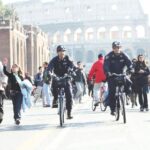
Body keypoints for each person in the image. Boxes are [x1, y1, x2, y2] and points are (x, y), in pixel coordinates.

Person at [104, 41, 132, 116]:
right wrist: (108, 72)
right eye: (115, 48)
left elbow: (129, 63)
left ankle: (127, 95)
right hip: (112, 75)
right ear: (112, 48)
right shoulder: (108, 56)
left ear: (120, 47)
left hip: (122, 74)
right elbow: (106, 66)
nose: (116, 49)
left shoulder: (124, 55)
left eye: (118, 47)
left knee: (129, 82)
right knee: (112, 93)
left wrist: (131, 69)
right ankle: (113, 109)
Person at [48, 45, 74, 119]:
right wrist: (50, 73)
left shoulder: (68, 59)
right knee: (53, 87)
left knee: (69, 95)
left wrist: (71, 70)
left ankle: (69, 113)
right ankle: (55, 99)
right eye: (60, 51)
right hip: (57, 77)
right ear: (57, 52)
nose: (62, 53)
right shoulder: (54, 60)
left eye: (63, 51)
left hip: (66, 78)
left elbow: (72, 66)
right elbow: (50, 67)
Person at [3, 58, 23, 125]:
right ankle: (16, 118)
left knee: (18, 105)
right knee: (15, 106)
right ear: (11, 69)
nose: (14, 68)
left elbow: (25, 84)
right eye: (13, 67)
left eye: (15, 67)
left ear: (18, 68)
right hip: (13, 93)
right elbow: (5, 72)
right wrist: (5, 64)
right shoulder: (11, 75)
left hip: (20, 93)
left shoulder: (21, 76)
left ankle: (18, 118)